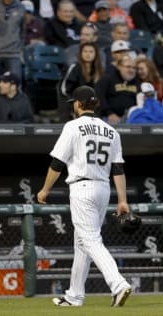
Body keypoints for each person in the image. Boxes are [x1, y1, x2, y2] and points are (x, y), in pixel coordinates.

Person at [37, 85, 132, 308]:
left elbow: (57, 163)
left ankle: (118, 284)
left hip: (82, 188)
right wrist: (122, 200)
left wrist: (45, 189)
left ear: (79, 104)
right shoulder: (112, 131)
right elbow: (118, 168)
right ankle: (74, 296)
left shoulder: (72, 127)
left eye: (75, 104)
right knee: (82, 244)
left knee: (90, 240)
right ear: (95, 104)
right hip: (103, 188)